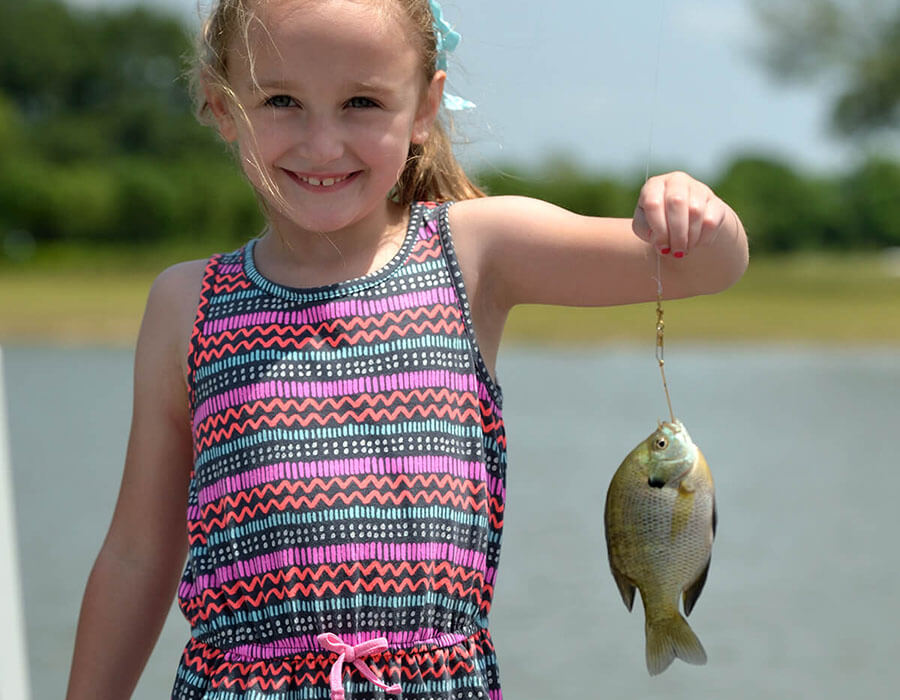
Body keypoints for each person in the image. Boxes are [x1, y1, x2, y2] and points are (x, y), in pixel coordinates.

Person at [65, 0, 748, 698]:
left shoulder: (476, 251)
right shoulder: (186, 304)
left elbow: (705, 267)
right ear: (221, 106)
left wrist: (696, 212)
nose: (322, 143)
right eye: (281, 101)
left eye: (361, 102)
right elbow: (137, 554)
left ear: (425, 105)